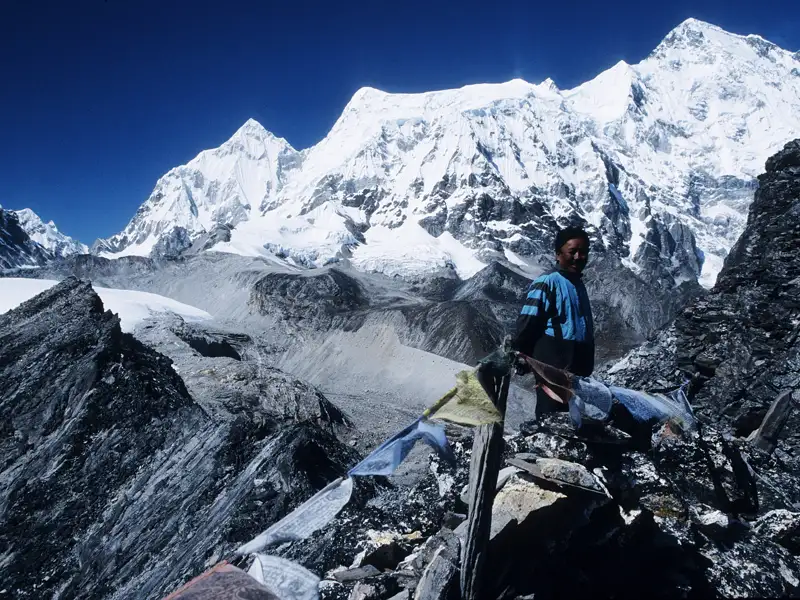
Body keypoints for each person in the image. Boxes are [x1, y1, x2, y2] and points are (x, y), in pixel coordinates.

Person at [512, 226, 595, 416]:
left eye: (583, 252)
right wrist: (521, 354)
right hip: (553, 362)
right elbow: (528, 320)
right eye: (572, 251)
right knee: (551, 411)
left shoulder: (578, 284)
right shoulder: (547, 282)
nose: (577, 257)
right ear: (558, 254)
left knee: (573, 414)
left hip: (577, 362)